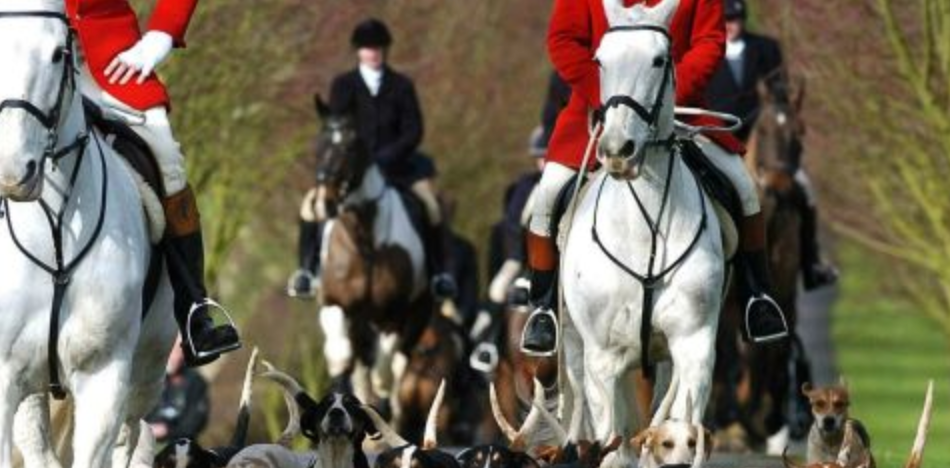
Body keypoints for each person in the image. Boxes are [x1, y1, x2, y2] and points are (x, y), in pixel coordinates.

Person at [0, 0, 241, 370]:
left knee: (167, 160)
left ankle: (194, 309)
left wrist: (162, 35)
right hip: (13, 59)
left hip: (108, 61)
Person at [520, 0, 789, 357]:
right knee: (548, 192)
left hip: (678, 110)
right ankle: (543, 308)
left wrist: (666, 94)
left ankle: (757, 297)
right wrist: (610, 94)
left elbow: (710, 41)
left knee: (743, 186)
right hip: (601, 112)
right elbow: (563, 40)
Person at [287, 18, 455, 301]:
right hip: (351, 171)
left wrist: (386, 157)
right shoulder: (343, 85)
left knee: (431, 206)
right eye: (367, 48)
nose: (373, 52)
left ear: (385, 50)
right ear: (358, 51)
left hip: (398, 166)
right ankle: (307, 271)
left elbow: (414, 130)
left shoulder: (402, 85)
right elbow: (336, 126)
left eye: (377, 47)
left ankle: (439, 275)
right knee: (310, 206)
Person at [705, 0, 837, 290]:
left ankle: (811, 263)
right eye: (726, 20)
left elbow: (780, 94)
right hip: (715, 136)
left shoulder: (766, 48)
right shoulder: (705, 48)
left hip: (763, 138)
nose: (731, 25)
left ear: (744, 20)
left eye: (736, 19)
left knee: (804, 189)